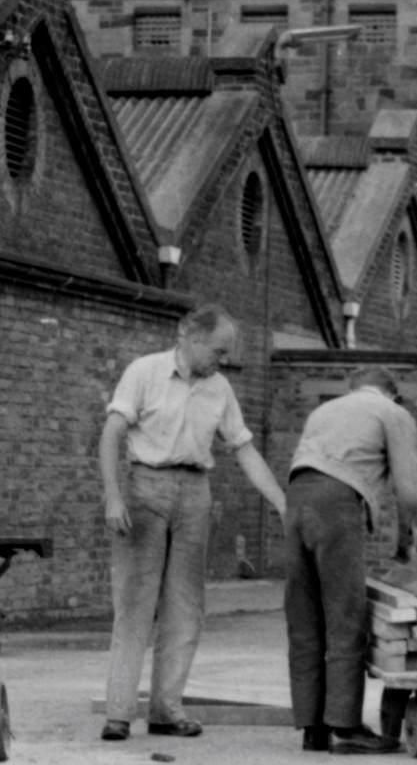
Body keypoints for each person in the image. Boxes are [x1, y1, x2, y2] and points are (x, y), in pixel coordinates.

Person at [98, 304, 289, 742]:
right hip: (144, 488)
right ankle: (119, 713)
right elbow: (111, 433)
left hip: (196, 494)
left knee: (185, 607)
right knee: (135, 605)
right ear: (190, 336)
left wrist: (280, 501)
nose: (221, 361)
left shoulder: (220, 388)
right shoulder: (144, 372)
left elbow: (243, 448)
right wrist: (112, 495)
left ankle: (166, 710)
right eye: (219, 351)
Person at [282, 366, 417, 755]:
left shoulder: (324, 411)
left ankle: (313, 728)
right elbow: (410, 492)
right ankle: (345, 726)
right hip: (336, 500)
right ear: (391, 392)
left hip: (294, 500)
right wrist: (406, 541)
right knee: (345, 617)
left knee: (305, 619)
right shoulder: (392, 413)